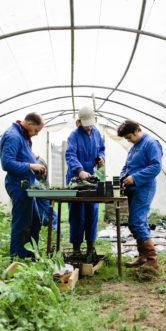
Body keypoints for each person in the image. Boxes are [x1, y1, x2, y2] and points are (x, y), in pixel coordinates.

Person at [0, 112, 47, 259]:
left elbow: (21, 154)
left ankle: (31, 256)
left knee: (35, 222)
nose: (37, 134)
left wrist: (34, 160)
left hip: (27, 184)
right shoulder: (13, 136)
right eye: (36, 130)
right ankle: (16, 259)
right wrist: (31, 166)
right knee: (21, 224)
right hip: (18, 184)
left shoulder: (23, 135)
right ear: (30, 124)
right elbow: (7, 163)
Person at [117, 120, 163, 269]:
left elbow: (156, 166)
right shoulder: (134, 147)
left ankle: (151, 259)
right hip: (133, 188)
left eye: (129, 137)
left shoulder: (151, 143)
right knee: (135, 222)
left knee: (137, 220)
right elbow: (127, 165)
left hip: (144, 187)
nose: (128, 140)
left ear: (137, 130)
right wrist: (123, 176)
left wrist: (135, 178)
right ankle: (143, 257)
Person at [65, 106, 105, 255]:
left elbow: (101, 149)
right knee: (77, 214)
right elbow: (70, 155)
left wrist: (101, 158)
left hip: (91, 180)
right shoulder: (73, 136)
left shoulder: (96, 133)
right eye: (85, 123)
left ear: (95, 120)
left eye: (90, 123)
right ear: (79, 122)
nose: (88, 126)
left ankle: (90, 248)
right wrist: (79, 170)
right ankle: (76, 250)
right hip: (76, 179)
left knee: (92, 212)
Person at [33, 153, 57, 230]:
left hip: (41, 192)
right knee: (48, 214)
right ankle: (53, 233)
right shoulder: (39, 161)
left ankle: (53, 233)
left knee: (47, 215)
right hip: (42, 191)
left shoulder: (38, 163)